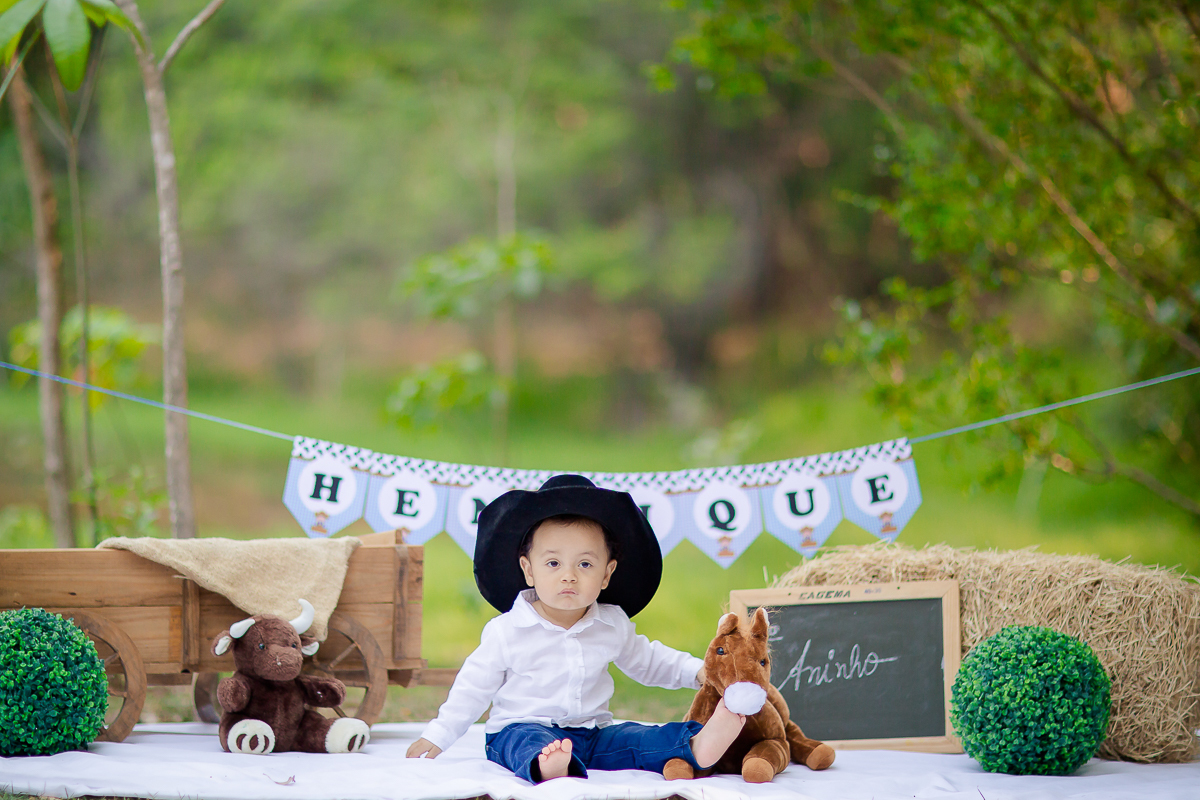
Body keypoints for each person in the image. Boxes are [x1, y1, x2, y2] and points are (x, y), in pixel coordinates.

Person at [406, 474, 747, 782]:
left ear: (606, 574)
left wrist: (700, 672)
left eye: (585, 563)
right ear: (528, 570)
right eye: (553, 563)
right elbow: (472, 688)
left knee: (636, 737)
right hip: (521, 727)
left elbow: (650, 661)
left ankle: (695, 743)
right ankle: (546, 765)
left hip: (593, 733)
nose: (568, 575)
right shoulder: (507, 631)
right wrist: (438, 735)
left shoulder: (611, 624)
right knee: (525, 741)